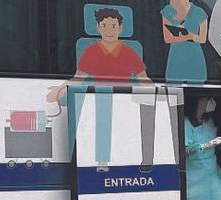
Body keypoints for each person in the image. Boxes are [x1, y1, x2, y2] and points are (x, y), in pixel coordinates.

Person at [47, 7, 152, 171]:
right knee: (101, 118)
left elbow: (143, 78)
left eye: (113, 25)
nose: (109, 30)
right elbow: (78, 78)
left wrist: (157, 92)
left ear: (120, 28)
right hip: (100, 97)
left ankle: (124, 158)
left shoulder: (128, 52)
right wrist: (60, 89)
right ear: (98, 28)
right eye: (104, 25)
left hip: (123, 99)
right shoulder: (92, 51)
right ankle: (102, 161)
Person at [162, 0, 209, 85]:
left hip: (195, 58)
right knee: (173, 89)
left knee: (196, 91)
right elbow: (167, 38)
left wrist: (189, 36)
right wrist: (187, 37)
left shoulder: (199, 12)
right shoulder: (168, 11)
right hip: (176, 59)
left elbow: (202, 39)